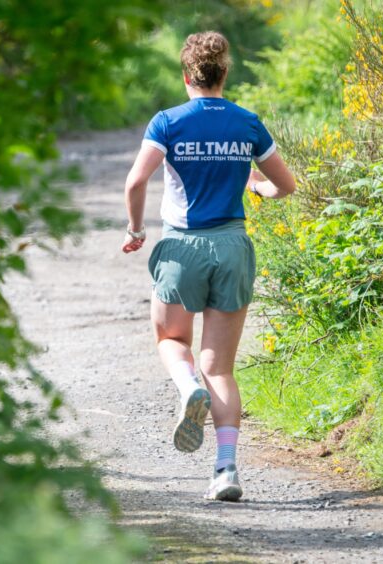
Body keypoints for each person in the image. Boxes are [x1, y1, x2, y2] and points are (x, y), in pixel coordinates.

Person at [121, 31, 296, 501]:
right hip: (232, 247)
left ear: (186, 77)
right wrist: (255, 187)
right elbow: (285, 186)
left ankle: (186, 388)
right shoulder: (247, 123)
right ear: (224, 74)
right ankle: (225, 470)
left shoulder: (168, 122)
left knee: (171, 339)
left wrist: (136, 231)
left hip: (183, 248)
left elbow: (136, 181)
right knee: (220, 368)